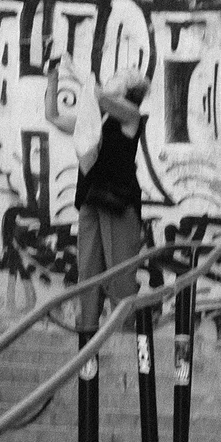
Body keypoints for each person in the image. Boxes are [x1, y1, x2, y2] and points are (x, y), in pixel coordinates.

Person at [66, 58, 151, 331]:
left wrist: (75, 70)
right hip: (93, 198)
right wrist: (55, 74)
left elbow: (98, 95)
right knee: (88, 274)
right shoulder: (99, 115)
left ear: (128, 89)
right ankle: (87, 334)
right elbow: (55, 117)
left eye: (121, 74)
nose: (113, 76)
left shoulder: (131, 115)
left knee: (120, 277)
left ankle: (126, 337)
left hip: (120, 201)